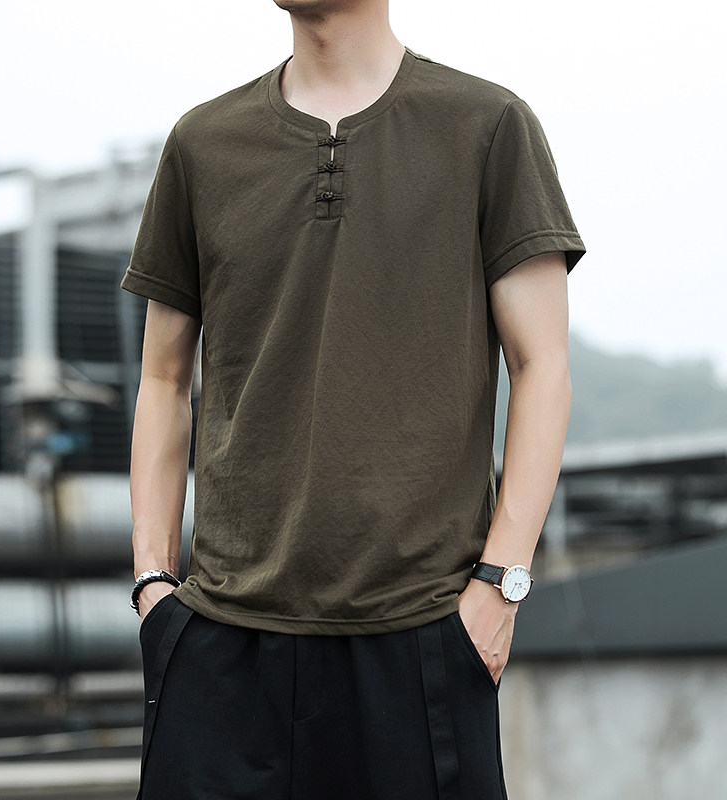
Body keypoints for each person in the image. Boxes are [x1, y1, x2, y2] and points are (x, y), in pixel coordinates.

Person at [120, 1, 585, 798]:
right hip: (221, 645)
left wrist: (499, 588)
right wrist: (153, 587)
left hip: (422, 639)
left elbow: (541, 365)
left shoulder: (488, 125)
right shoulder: (203, 143)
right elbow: (163, 378)